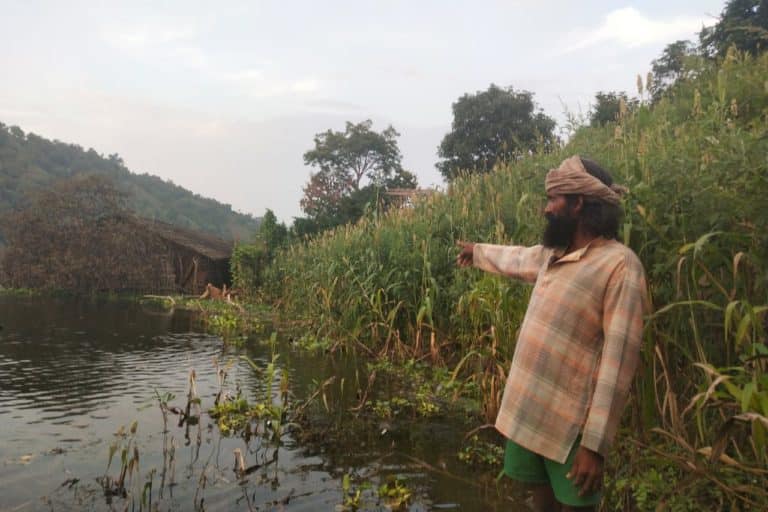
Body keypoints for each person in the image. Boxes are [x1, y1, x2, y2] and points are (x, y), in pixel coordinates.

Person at [456, 155, 648, 511]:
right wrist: (478, 252)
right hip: (529, 410)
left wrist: (594, 445)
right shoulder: (553, 254)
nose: (546, 209)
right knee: (539, 499)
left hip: (570, 428)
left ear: (579, 204)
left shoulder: (619, 266)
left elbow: (618, 363)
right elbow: (517, 259)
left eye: (554, 200)